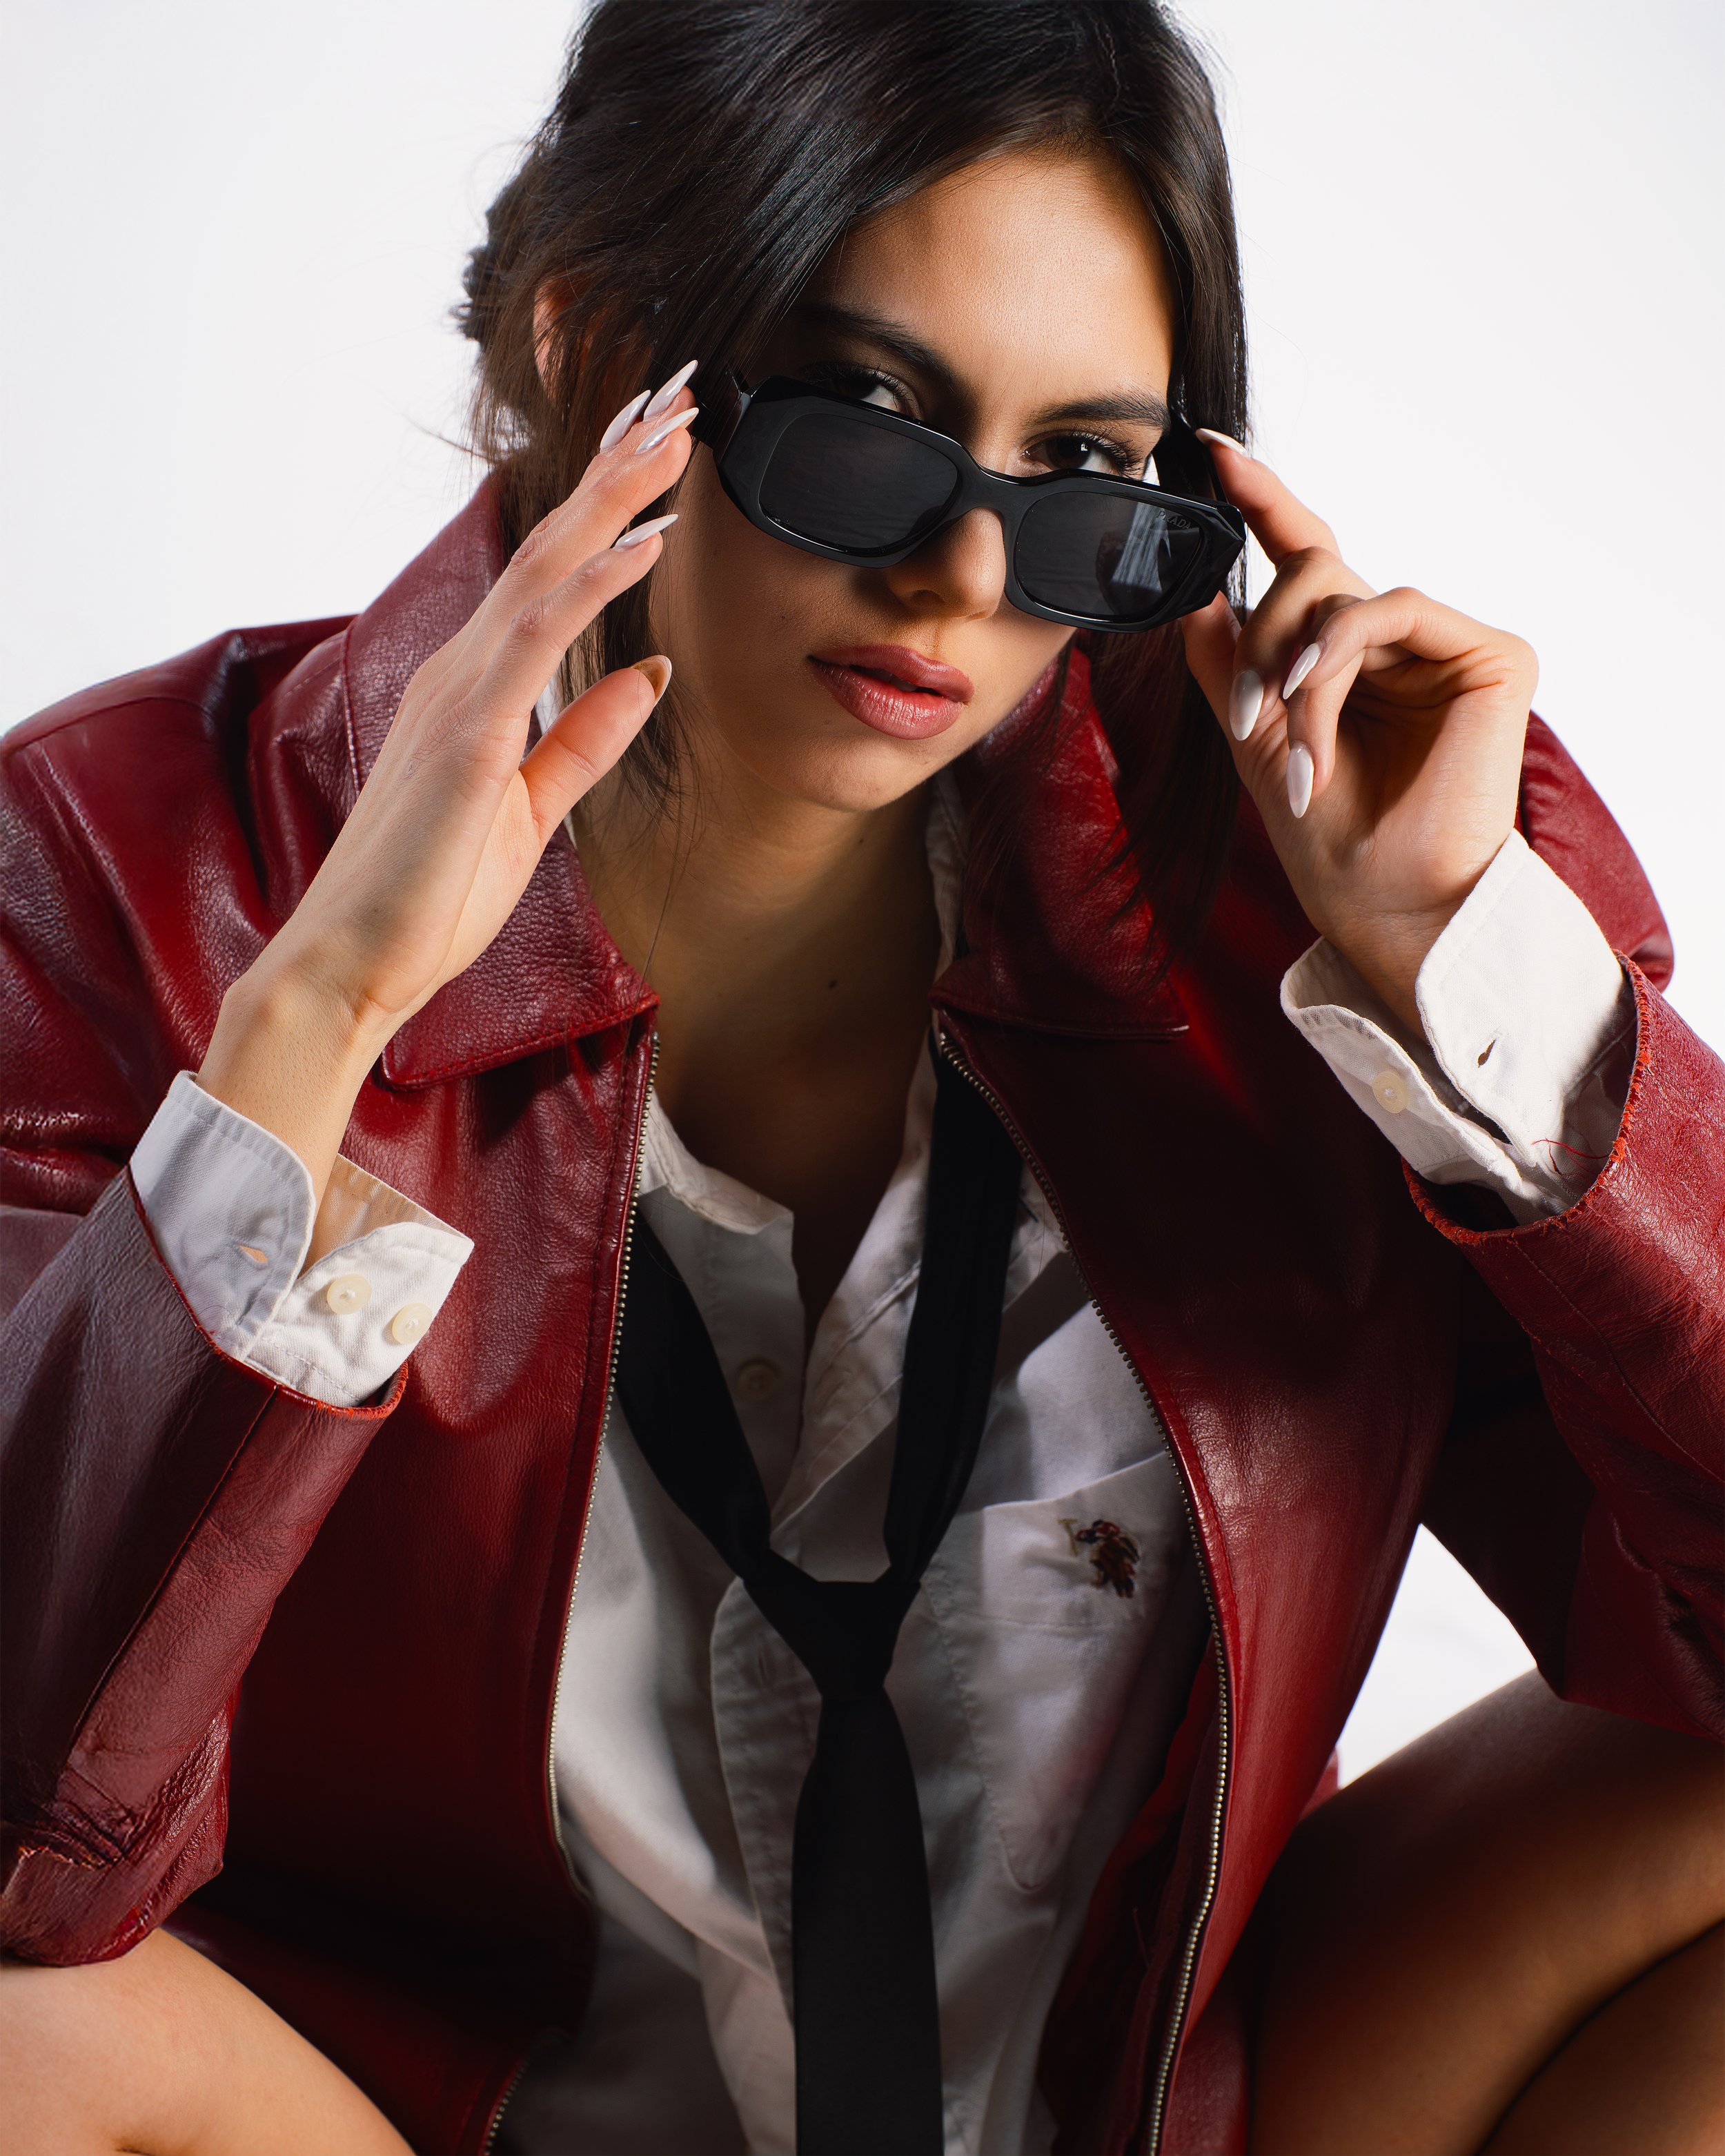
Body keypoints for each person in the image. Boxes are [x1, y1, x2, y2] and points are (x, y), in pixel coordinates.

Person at [2, 1, 1720, 2151]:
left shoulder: (1311, 884)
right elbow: (22, 1856)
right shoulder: (127, 867)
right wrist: (317, 1024)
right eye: (865, 427)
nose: (964, 578)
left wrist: (1492, 1010)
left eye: (1084, 483)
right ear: (584, 345)